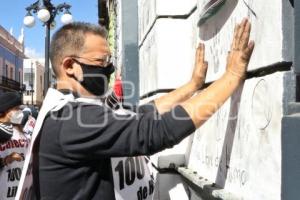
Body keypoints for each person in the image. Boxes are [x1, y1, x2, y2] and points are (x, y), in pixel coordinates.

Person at [17, 18, 254, 200]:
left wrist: (191, 87)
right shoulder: (73, 120)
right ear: (70, 66)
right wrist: (231, 76)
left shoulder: (71, 111)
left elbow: (142, 113)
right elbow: (156, 132)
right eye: (101, 62)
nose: (108, 70)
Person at [0, 92, 31, 200]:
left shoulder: (20, 131)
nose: (20, 112)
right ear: (6, 110)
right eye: (17, 108)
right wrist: (6, 160)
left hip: (21, 191)